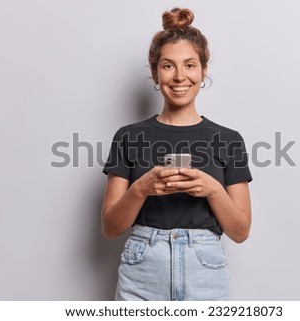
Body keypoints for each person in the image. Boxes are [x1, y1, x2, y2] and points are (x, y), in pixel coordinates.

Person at [101, 8, 252, 301]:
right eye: (168, 66)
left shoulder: (229, 140)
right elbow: (110, 228)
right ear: (155, 72)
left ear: (203, 71)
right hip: (142, 272)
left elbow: (241, 231)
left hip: (205, 271)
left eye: (190, 65)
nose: (180, 76)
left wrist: (212, 189)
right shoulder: (128, 137)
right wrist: (142, 188)